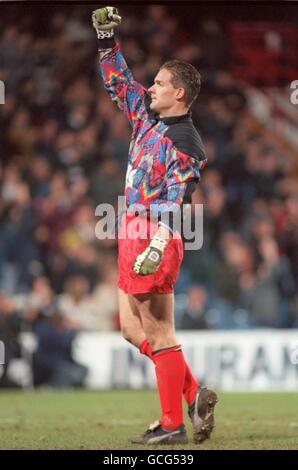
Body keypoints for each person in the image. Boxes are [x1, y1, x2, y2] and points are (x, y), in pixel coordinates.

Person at [92, 6, 218, 445]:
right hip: (130, 227)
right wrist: (108, 42)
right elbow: (120, 83)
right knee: (130, 329)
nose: (151, 87)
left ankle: (172, 426)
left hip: (153, 234)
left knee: (160, 330)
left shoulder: (184, 141)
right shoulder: (147, 119)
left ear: (179, 93)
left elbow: (179, 199)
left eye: (161, 83)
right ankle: (192, 393)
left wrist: (158, 243)